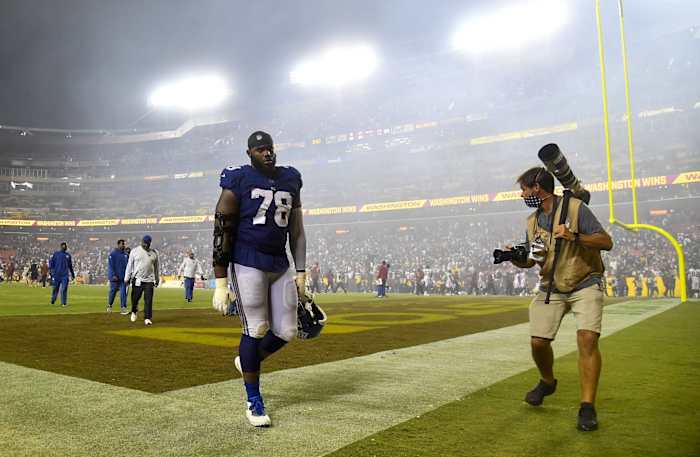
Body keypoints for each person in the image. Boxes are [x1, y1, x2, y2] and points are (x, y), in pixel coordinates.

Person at [211, 130, 307, 427]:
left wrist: (301, 270)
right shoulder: (237, 178)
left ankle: (247, 362)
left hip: (280, 261)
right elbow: (222, 229)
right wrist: (220, 281)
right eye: (260, 149)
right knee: (256, 327)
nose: (267, 152)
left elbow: (297, 229)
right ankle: (253, 399)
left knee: (287, 330)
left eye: (270, 148)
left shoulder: (291, 178)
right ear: (250, 153)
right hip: (248, 259)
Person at [507, 166, 613, 432]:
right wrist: (515, 258)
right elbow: (536, 259)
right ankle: (547, 381)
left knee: (587, 338)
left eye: (523, 189)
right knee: (538, 342)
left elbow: (606, 241)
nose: (521, 195)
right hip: (551, 284)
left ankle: (587, 406)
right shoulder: (532, 221)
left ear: (537, 188)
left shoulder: (576, 208)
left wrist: (573, 236)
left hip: (584, 281)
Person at [124, 235, 160, 325]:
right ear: (141, 242)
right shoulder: (135, 251)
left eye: (147, 244)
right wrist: (126, 278)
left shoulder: (154, 253)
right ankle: (134, 311)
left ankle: (147, 318)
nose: (145, 245)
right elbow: (129, 265)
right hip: (137, 279)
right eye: (144, 243)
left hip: (149, 280)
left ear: (149, 243)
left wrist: (157, 278)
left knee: (148, 299)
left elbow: (156, 267)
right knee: (135, 298)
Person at [49, 242, 76, 306]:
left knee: (64, 289)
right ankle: (53, 299)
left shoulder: (68, 255)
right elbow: (52, 264)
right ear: (61, 247)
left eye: (65, 246)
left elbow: (70, 266)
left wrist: (72, 274)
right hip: (57, 274)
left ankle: (63, 302)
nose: (64, 247)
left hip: (65, 275)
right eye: (63, 246)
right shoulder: (56, 254)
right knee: (55, 288)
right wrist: (51, 273)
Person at [107, 239, 129, 314]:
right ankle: (109, 305)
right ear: (118, 244)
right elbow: (110, 266)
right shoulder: (113, 254)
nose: (124, 245)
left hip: (123, 278)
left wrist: (128, 276)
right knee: (112, 293)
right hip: (115, 278)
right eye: (122, 244)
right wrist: (113, 275)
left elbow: (128, 267)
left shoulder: (126, 255)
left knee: (123, 293)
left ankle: (123, 307)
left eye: (124, 244)